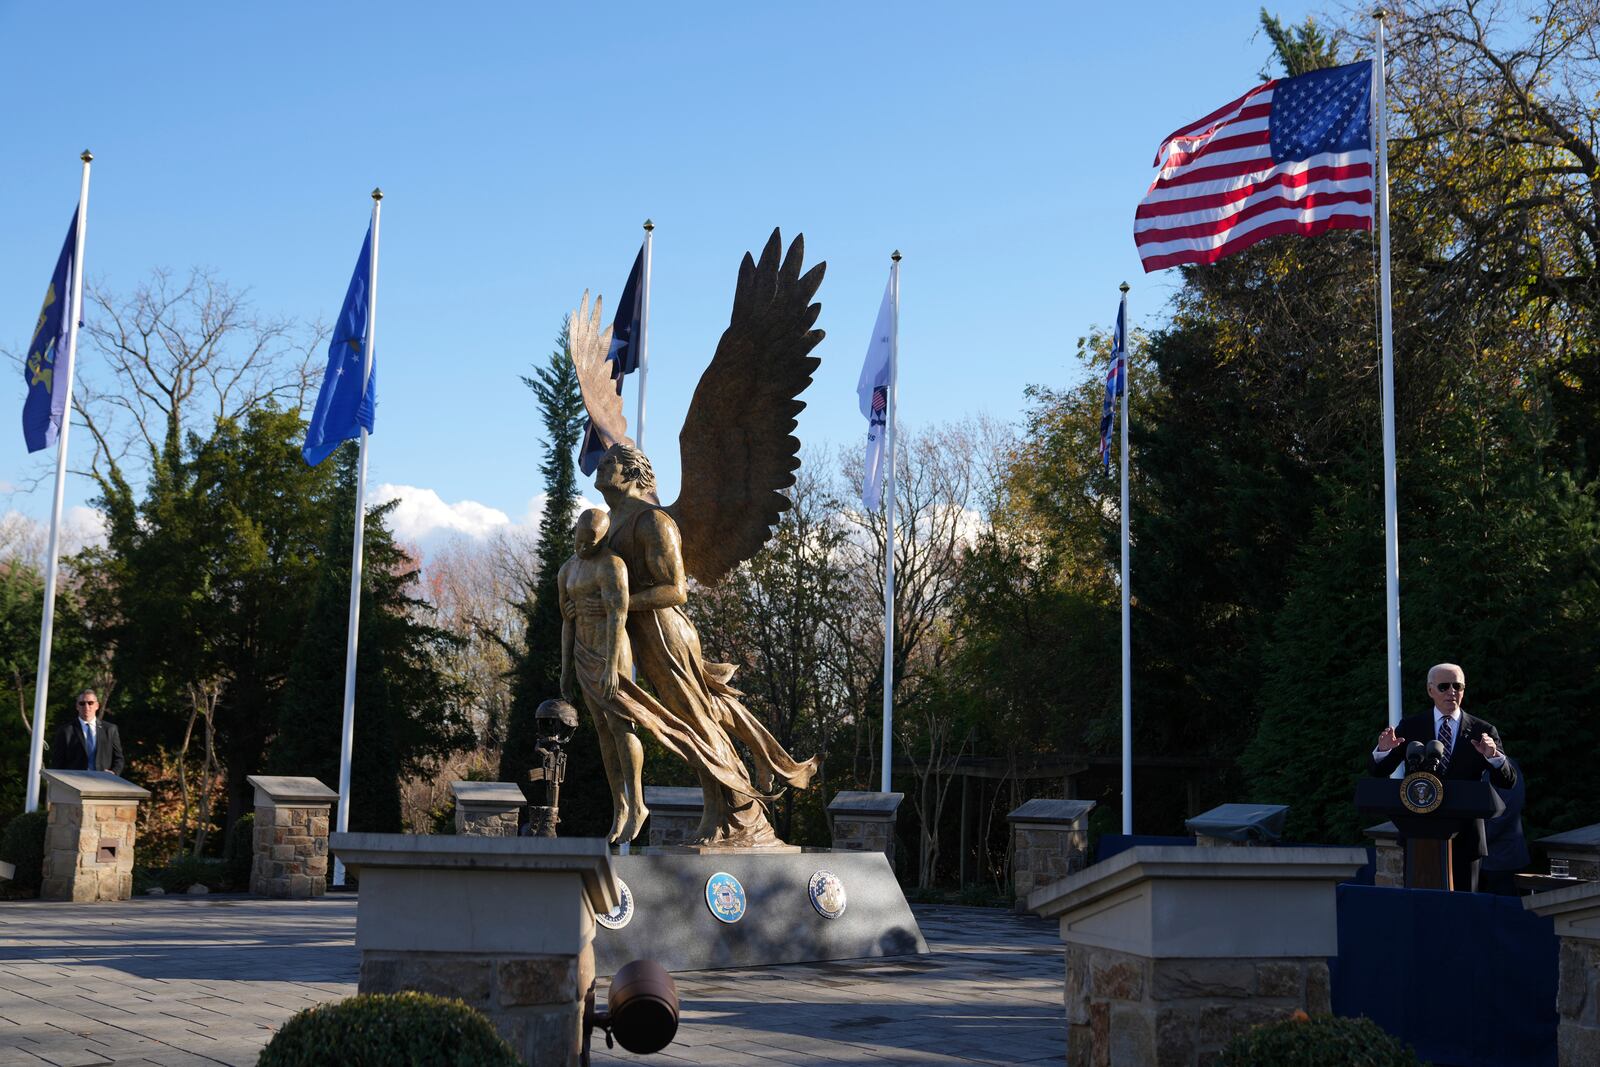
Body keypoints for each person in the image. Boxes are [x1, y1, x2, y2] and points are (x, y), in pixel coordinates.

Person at [590, 444, 817, 848]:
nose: (600, 466)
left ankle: (739, 819)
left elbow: (676, 591)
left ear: (630, 474)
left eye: (609, 463)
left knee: (694, 719)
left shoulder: (653, 522)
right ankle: (727, 807)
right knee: (696, 717)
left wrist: (621, 606)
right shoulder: (610, 523)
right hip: (637, 633)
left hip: (664, 631)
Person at [1370, 663, 1516, 892]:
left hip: (1466, 837)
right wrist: (1383, 751)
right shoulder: (1411, 727)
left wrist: (1493, 757)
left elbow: (1507, 781)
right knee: (1420, 907)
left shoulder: (1482, 730)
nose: (1452, 692)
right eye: (1444, 686)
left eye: (1457, 686)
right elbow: (1379, 772)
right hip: (1419, 832)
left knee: (1465, 910)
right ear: (1430, 690)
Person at [1479, 755, 1528, 896]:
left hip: (1503, 860)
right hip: (1478, 862)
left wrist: (1476, 839)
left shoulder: (1505, 766)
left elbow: (1506, 812)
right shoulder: (1468, 767)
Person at [50, 688, 124, 775]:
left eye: (90, 703)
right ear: (77, 706)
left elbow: (119, 759)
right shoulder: (66, 731)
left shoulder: (110, 729)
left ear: (97, 706)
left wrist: (113, 773)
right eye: (82, 703)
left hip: (103, 782)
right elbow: (57, 762)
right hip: (75, 783)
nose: (86, 707)